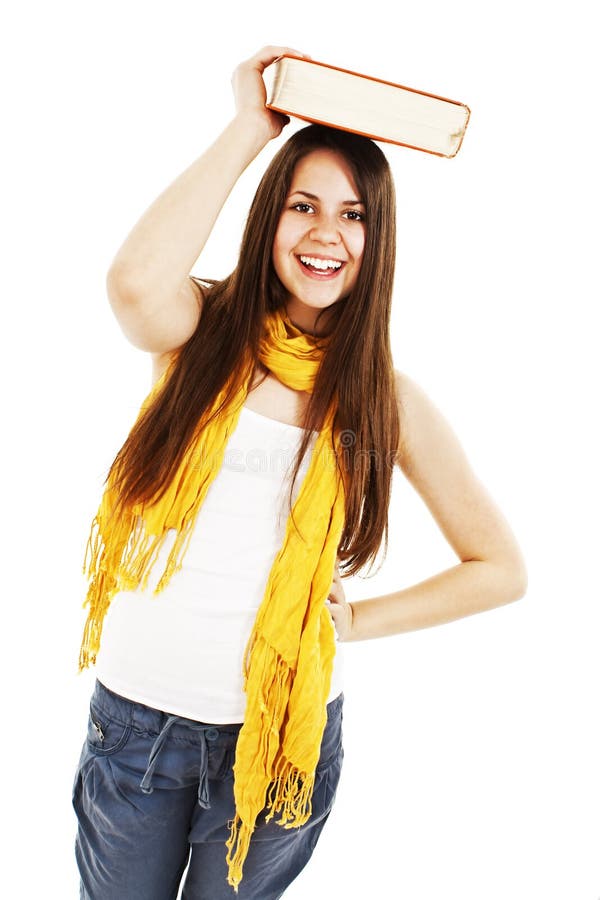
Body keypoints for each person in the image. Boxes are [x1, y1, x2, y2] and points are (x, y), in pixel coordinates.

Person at [71, 44, 528, 900]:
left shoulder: (385, 398)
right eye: (302, 206)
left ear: (376, 240)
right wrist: (251, 127)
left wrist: (351, 622)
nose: (326, 233)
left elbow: (499, 570)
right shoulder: (197, 331)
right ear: (266, 217)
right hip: (137, 721)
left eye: (353, 216)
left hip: (283, 740)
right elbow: (133, 282)